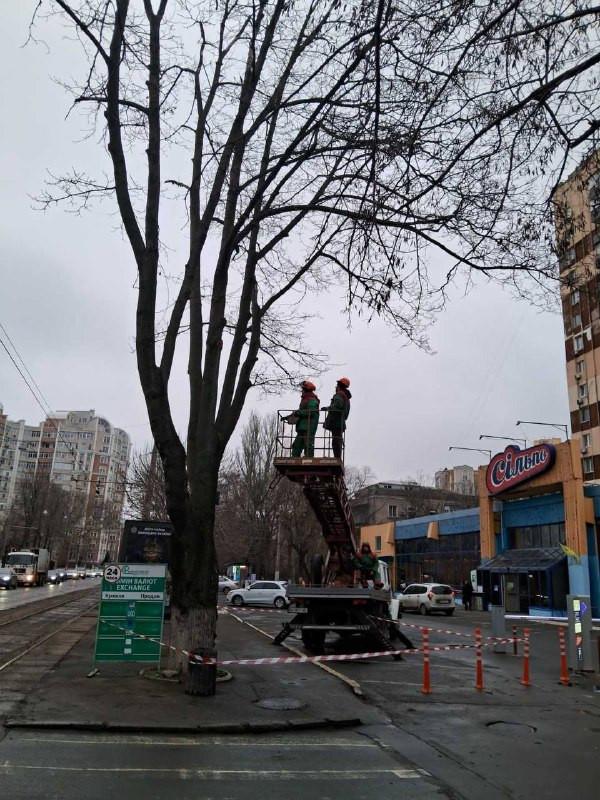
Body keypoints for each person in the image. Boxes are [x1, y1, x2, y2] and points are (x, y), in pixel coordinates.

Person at [323, 377, 352, 458]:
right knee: (337, 440)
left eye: (336, 386)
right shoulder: (345, 397)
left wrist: (328, 408)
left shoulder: (339, 394)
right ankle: (338, 457)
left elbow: (337, 406)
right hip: (340, 421)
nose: (335, 387)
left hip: (336, 421)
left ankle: (337, 458)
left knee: (335, 441)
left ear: (339, 386)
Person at [291, 380, 320, 457]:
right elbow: (303, 411)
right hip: (303, 427)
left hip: (308, 427)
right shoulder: (306, 399)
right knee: (296, 446)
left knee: (308, 445)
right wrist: (290, 417)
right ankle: (295, 460)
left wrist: (298, 413)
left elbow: (311, 412)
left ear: (306, 390)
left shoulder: (312, 399)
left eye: (302, 389)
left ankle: (309, 460)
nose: (301, 391)